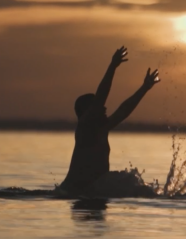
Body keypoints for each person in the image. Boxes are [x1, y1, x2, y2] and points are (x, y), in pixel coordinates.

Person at [59, 46, 160, 195]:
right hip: (73, 193)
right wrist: (112, 66)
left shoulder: (102, 129)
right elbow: (101, 97)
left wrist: (144, 88)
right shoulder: (84, 129)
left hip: (92, 195)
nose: (104, 109)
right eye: (97, 107)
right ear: (86, 113)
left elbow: (123, 110)